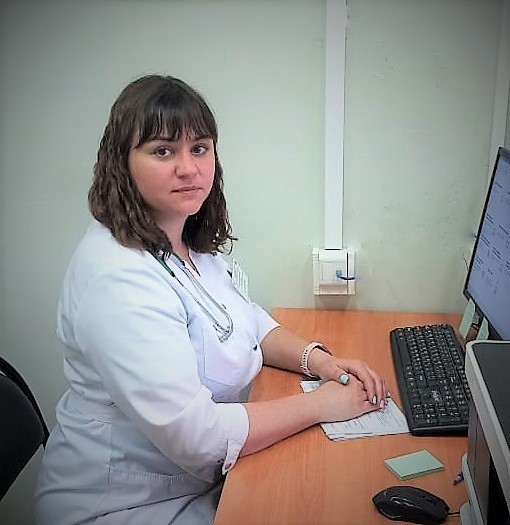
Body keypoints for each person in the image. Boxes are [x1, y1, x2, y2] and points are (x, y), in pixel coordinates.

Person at [35, 74, 388, 525]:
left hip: (197, 481)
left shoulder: (183, 237)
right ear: (121, 162)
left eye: (199, 148)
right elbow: (197, 438)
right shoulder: (116, 280)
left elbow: (242, 319)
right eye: (163, 151)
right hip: (121, 504)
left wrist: (319, 362)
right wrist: (323, 404)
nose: (188, 168)